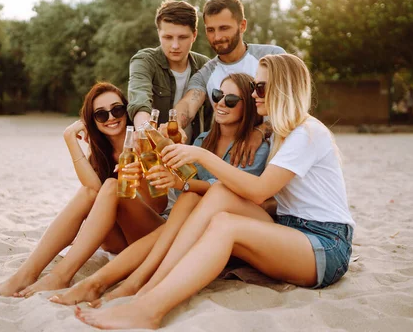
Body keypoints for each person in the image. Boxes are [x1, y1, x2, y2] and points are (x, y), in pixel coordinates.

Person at [76, 54, 356, 330]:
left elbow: (259, 191)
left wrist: (201, 155)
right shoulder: (283, 131)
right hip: (291, 230)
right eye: (254, 87)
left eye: (260, 88)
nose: (254, 93)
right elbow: (258, 134)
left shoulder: (306, 134)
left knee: (226, 225)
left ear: (282, 89)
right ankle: (146, 288)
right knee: (220, 197)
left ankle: (149, 308)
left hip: (325, 243)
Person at [49, 73, 271, 307]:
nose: (221, 103)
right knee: (123, 191)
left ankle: (106, 283)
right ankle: (88, 281)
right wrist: (165, 165)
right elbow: (180, 180)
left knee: (186, 202)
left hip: (211, 231)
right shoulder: (203, 140)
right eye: (217, 95)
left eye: (232, 100)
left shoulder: (253, 147)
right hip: (178, 220)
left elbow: (232, 191)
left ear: (248, 105)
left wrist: (178, 182)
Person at [0, 82, 172, 297]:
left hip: (151, 233)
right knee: (91, 191)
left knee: (111, 185)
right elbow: (92, 191)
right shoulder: (102, 152)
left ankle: (60, 276)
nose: (111, 118)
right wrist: (70, 138)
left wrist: (142, 174)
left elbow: (159, 204)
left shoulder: (146, 142)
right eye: (101, 114)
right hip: (118, 243)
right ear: (93, 121)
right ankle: (26, 273)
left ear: (127, 111)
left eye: (117, 109)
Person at [175, 0, 286, 167]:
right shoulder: (206, 73)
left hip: (281, 156)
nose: (217, 37)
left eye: (224, 28)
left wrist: (261, 131)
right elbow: (189, 104)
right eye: (211, 30)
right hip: (241, 162)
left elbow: (293, 105)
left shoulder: (272, 56)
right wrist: (173, 125)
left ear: (242, 26)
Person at [127, 0, 211, 144]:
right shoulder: (144, 60)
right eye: (168, 37)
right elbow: (139, 98)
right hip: (153, 150)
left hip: (194, 151)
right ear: (159, 33)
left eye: (183, 37)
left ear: (194, 35)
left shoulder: (205, 65)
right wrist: (145, 131)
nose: (175, 45)